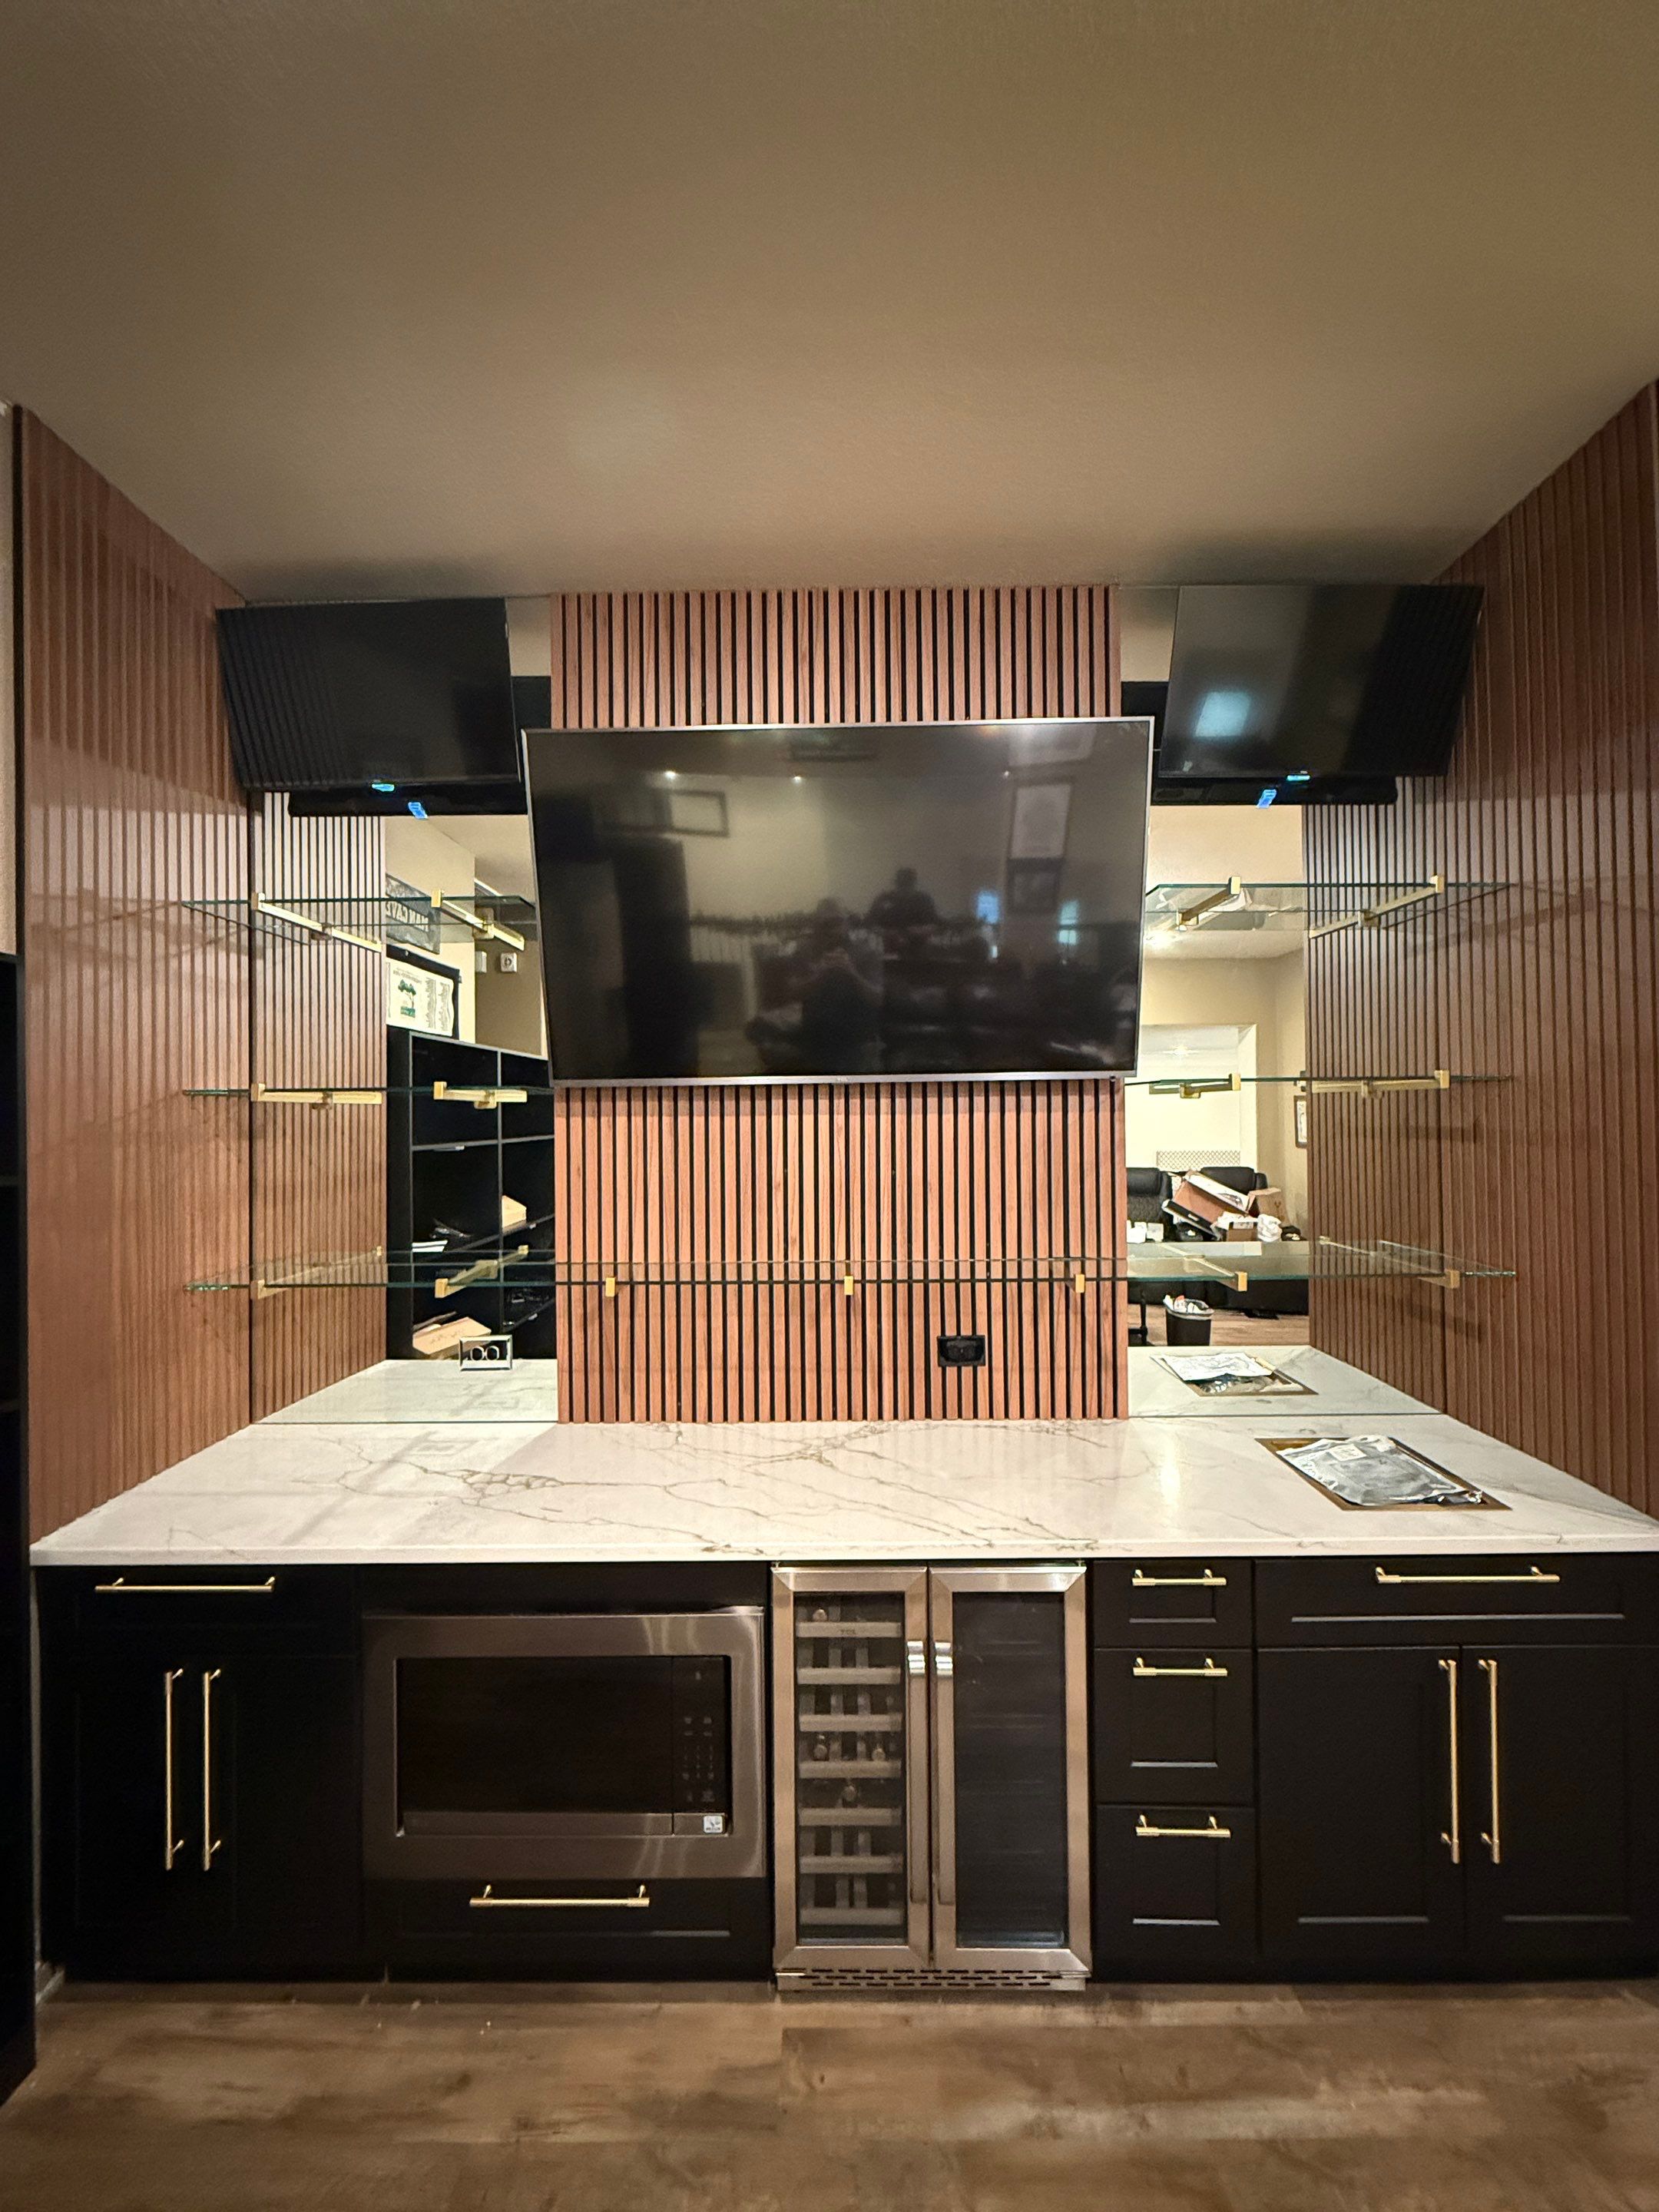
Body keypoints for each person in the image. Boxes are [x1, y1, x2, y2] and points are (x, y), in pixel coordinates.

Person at [866, 866, 938, 932]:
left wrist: (922, 930)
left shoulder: (924, 900)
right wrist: (885, 933)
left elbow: (934, 923)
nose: (904, 888)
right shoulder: (884, 899)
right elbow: (870, 922)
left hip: (917, 942)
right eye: (901, 884)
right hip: (886, 942)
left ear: (913, 883)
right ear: (896, 883)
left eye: (907, 884)